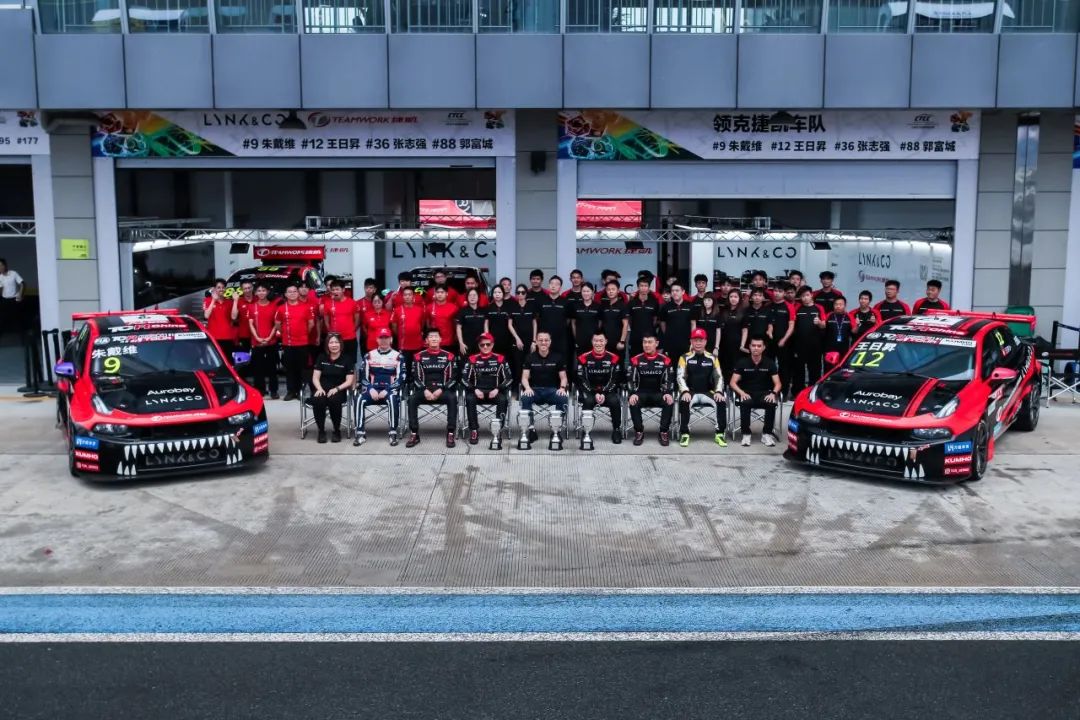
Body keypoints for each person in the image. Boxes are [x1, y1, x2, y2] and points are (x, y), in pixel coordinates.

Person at [405, 329, 458, 449]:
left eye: (436, 336)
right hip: (424, 391)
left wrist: (441, 389)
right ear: (426, 340)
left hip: (442, 391)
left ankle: (450, 433)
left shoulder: (449, 356)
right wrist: (424, 390)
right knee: (412, 399)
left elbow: (454, 378)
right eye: (431, 336)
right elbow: (415, 377)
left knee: (452, 398)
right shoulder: (418, 356)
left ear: (440, 339)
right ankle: (414, 433)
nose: (434, 338)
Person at [518, 331, 569, 451]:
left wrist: (562, 388)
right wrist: (527, 388)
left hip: (552, 390)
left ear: (550, 342)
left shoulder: (558, 357)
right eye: (540, 340)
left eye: (546, 340)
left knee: (562, 397)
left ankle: (557, 430)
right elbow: (524, 378)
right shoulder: (530, 357)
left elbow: (563, 377)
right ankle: (530, 430)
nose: (543, 342)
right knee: (525, 397)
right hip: (535, 390)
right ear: (536, 342)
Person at [676, 328, 727, 448]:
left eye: (701, 340)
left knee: (721, 400)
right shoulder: (684, 357)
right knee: (684, 400)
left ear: (705, 342)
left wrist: (719, 391)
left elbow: (719, 376)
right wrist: (685, 391)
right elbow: (680, 376)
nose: (698, 343)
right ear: (691, 341)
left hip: (708, 392)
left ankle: (720, 434)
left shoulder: (713, 358)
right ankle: (685, 433)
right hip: (690, 392)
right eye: (695, 340)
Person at [354, 327, 404, 447]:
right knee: (359, 398)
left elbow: (401, 378)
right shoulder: (369, 356)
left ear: (391, 339)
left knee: (392, 398)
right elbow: (363, 377)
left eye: (386, 338)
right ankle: (360, 433)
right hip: (372, 390)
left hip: (389, 390)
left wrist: (387, 390)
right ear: (377, 340)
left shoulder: (398, 356)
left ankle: (393, 433)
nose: (384, 340)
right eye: (381, 338)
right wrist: (370, 389)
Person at [731, 336, 782, 447]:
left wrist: (773, 393)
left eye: (759, 346)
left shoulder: (770, 363)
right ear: (749, 347)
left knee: (771, 402)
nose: (756, 348)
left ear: (763, 348)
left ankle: (766, 434)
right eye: (753, 345)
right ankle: (746, 434)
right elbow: (733, 382)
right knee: (745, 402)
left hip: (764, 393)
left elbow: (778, 383)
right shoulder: (742, 362)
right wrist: (741, 393)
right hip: (747, 393)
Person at [463, 332, 512, 449]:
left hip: (495, 391)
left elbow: (509, 379)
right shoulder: (472, 359)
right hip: (477, 392)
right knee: (469, 399)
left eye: (488, 344)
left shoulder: (500, 359)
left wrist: (498, 389)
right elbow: (463, 379)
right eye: (482, 345)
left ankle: (498, 430)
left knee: (503, 399)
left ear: (492, 345)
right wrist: (474, 389)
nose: (485, 347)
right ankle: (474, 430)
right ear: (479, 346)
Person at [575, 332, 623, 449]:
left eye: (601, 341)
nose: (598, 343)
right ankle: (586, 431)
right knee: (587, 401)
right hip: (590, 391)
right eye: (596, 340)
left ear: (606, 342)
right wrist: (594, 392)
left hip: (608, 391)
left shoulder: (614, 358)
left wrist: (604, 392)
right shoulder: (583, 358)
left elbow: (615, 380)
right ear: (592, 342)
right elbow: (581, 379)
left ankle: (616, 430)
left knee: (615, 401)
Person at [627, 335, 675, 447]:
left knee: (669, 401)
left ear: (656, 344)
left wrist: (668, 393)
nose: (647, 345)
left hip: (659, 394)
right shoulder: (635, 359)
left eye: (650, 342)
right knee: (633, 401)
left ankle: (663, 432)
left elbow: (670, 380)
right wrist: (632, 393)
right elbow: (630, 380)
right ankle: (639, 431)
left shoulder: (666, 360)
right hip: (640, 394)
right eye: (644, 342)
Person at [309, 333, 355, 444]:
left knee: (334, 400)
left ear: (341, 344)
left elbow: (349, 381)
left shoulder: (347, 359)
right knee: (318, 400)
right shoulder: (321, 357)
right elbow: (315, 377)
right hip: (322, 388)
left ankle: (336, 430)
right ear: (327, 345)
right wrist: (319, 389)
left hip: (339, 389)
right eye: (331, 342)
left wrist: (337, 389)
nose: (334, 345)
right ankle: (321, 431)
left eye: (336, 342)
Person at [274, 283, 315, 401]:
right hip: (288, 343)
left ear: (298, 293)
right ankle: (291, 391)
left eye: (294, 291)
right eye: (290, 292)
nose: (292, 294)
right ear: (285, 294)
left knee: (302, 369)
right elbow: (277, 324)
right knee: (290, 369)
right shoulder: (282, 308)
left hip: (303, 343)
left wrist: (302, 333)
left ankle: (300, 391)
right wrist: (286, 334)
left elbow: (311, 324)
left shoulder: (306, 307)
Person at [785, 286, 826, 398]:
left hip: (815, 346)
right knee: (799, 372)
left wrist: (819, 323)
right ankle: (797, 394)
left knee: (815, 371)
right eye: (803, 296)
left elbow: (824, 325)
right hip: (799, 346)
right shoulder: (797, 308)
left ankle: (813, 394)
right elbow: (792, 324)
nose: (805, 298)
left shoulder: (819, 308)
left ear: (811, 295)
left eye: (807, 295)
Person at [247, 282, 280, 399]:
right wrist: (257, 338)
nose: (261, 293)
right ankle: (260, 390)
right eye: (259, 291)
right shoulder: (252, 307)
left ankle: (274, 391)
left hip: (271, 342)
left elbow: (276, 325)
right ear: (255, 293)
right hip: (257, 342)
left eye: (263, 290)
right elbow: (250, 324)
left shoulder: (273, 306)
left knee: (272, 368)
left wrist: (269, 338)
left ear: (267, 292)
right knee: (258, 368)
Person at [391, 286, 425, 381]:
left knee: (417, 369)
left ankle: (416, 384)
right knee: (405, 369)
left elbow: (422, 324)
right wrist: (401, 335)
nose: (407, 297)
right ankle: (405, 385)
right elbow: (394, 327)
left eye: (409, 294)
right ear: (402, 297)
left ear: (413, 296)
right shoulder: (397, 310)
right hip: (403, 346)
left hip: (418, 345)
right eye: (405, 295)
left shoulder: (420, 309)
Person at [508, 283, 536, 393]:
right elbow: (509, 325)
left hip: (530, 341)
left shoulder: (531, 306)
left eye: (523, 292)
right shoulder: (512, 306)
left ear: (526, 294)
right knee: (517, 365)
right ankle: (517, 390)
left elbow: (534, 323)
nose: (520, 294)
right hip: (517, 341)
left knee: (529, 365)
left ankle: (528, 389)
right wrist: (517, 338)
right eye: (518, 292)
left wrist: (534, 341)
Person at [321, 279, 359, 359]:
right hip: (335, 339)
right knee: (336, 360)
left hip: (350, 338)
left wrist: (352, 330)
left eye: (337, 289)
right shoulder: (328, 303)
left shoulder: (352, 303)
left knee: (350, 361)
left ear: (343, 290)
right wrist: (331, 332)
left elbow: (357, 320)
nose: (335, 292)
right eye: (333, 290)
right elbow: (326, 321)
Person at [535, 275, 571, 360]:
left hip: (560, 339)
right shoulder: (541, 300)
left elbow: (568, 320)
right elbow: (536, 318)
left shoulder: (566, 302)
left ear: (560, 287)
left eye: (556, 284)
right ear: (549, 285)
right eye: (551, 283)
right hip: (544, 340)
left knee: (560, 362)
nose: (553, 286)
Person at [659, 281, 694, 361]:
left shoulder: (690, 306)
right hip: (671, 343)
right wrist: (669, 335)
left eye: (677, 290)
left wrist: (692, 340)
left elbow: (693, 324)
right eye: (672, 291)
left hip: (686, 342)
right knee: (672, 365)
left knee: (686, 365)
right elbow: (663, 324)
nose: (674, 293)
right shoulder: (665, 307)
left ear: (683, 292)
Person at [627, 276, 661, 357]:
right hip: (635, 336)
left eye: (646, 286)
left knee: (650, 358)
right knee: (634, 359)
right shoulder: (632, 303)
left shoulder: (654, 302)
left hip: (650, 336)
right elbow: (629, 319)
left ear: (649, 288)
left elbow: (655, 318)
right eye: (641, 286)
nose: (643, 288)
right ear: (638, 287)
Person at [203, 278, 238, 357]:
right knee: (215, 360)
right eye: (218, 287)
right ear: (214, 289)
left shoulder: (229, 302)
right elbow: (206, 316)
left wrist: (235, 301)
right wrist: (213, 300)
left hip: (228, 337)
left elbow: (234, 317)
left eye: (223, 287)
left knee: (228, 360)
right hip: (214, 337)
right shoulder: (207, 300)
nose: (221, 289)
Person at [718, 288, 744, 382]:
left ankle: (734, 385)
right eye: (731, 296)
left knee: (735, 366)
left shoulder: (743, 312)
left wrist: (742, 345)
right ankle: (724, 385)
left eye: (735, 297)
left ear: (739, 298)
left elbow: (745, 330)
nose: (733, 299)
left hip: (737, 343)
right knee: (724, 365)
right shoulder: (723, 310)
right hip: (724, 343)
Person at [570, 283, 602, 355]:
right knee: (580, 359)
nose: (586, 293)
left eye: (588, 291)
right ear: (581, 292)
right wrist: (576, 337)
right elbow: (573, 323)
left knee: (593, 359)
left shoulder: (598, 306)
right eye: (584, 291)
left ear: (592, 292)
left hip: (594, 340)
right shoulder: (576, 306)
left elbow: (600, 323)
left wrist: (596, 335)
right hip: (580, 339)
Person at [425, 285, 459, 354]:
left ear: (446, 294)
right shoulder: (429, 307)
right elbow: (428, 324)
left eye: (442, 292)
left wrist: (456, 337)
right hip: (434, 342)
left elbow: (456, 325)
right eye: (438, 292)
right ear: (435, 294)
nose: (440, 294)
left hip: (449, 342)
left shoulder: (454, 308)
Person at [823, 297, 854, 370]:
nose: (838, 306)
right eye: (836, 304)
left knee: (842, 369)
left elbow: (854, 331)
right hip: (830, 349)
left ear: (845, 305)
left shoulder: (849, 316)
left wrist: (858, 325)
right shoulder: (828, 315)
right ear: (833, 305)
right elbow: (822, 326)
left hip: (844, 349)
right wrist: (820, 323)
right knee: (828, 369)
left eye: (840, 304)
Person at [599, 280, 629, 357]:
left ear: (618, 291)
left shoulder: (623, 305)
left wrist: (622, 341)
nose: (611, 291)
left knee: (619, 363)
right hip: (605, 343)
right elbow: (600, 324)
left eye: (613, 289)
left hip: (618, 343)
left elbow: (625, 325)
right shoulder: (603, 306)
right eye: (608, 289)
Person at [456, 287, 488, 358]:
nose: (472, 297)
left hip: (481, 343)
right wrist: (461, 343)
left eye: (474, 295)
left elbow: (486, 327)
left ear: (478, 297)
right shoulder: (462, 311)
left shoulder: (483, 310)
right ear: (467, 298)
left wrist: (486, 341)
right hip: (466, 344)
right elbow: (458, 328)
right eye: (470, 295)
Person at [485, 285, 514, 362]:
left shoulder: (509, 307)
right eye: (495, 292)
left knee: (507, 360)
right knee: (495, 360)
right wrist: (487, 337)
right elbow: (486, 324)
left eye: (499, 292)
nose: (497, 294)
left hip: (507, 339)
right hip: (493, 339)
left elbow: (511, 324)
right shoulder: (489, 307)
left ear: (503, 293)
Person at [740, 287, 773, 353]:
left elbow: (770, 324)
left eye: (760, 295)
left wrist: (770, 331)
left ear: (763, 297)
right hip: (750, 342)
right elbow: (745, 329)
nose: (757, 297)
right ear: (751, 297)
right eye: (755, 295)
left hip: (764, 342)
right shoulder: (746, 311)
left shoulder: (768, 310)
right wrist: (742, 345)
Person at [0, 258, 23, 342]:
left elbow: (22, 283)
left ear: (5, 265)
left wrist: (20, 294)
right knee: (2, 320)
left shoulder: (13, 273)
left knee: (18, 320)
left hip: (15, 299)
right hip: (5, 300)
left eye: (1, 265)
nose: (0, 268)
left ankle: (23, 339)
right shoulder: (0, 277)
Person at [231, 281, 256, 354]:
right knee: (245, 357)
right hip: (244, 334)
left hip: (258, 334)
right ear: (242, 289)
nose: (247, 290)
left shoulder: (258, 299)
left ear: (252, 288)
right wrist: (235, 301)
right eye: (245, 288)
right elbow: (233, 317)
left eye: (249, 288)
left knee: (257, 357)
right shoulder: (239, 301)